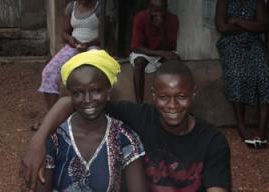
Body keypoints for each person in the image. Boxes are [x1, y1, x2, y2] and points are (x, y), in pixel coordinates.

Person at [22, 60, 231, 192]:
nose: (173, 106)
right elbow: (74, 101)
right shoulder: (140, 117)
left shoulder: (212, 141)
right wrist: (38, 141)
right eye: (164, 97)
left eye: (182, 97)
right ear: (153, 95)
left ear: (194, 94)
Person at [35, 49, 147, 192]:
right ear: (70, 96)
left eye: (96, 90)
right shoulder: (56, 138)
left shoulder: (124, 138)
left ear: (108, 92)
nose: (87, 100)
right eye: (78, 93)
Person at [215, 0, 269, 148]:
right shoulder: (224, 0)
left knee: (264, 76)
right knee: (237, 74)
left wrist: (238, 21)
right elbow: (222, 27)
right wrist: (251, 24)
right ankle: (241, 125)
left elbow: (263, 27)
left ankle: (262, 130)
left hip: (254, 44)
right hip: (231, 43)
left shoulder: (258, 1)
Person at [38, 0, 102, 111]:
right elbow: (65, 33)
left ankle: (87, 112)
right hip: (74, 46)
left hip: (93, 48)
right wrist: (71, 40)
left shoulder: (99, 8)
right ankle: (52, 115)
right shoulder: (70, 7)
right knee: (49, 72)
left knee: (88, 77)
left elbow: (103, 37)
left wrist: (89, 44)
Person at [129, 0, 180, 103]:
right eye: (155, 11)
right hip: (145, 51)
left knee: (172, 63)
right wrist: (161, 53)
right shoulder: (140, 18)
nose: (159, 14)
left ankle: (165, 101)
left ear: (166, 8)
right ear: (149, 8)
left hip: (164, 51)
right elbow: (135, 47)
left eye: (162, 10)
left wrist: (161, 29)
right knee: (139, 62)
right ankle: (139, 103)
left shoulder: (173, 19)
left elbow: (170, 47)